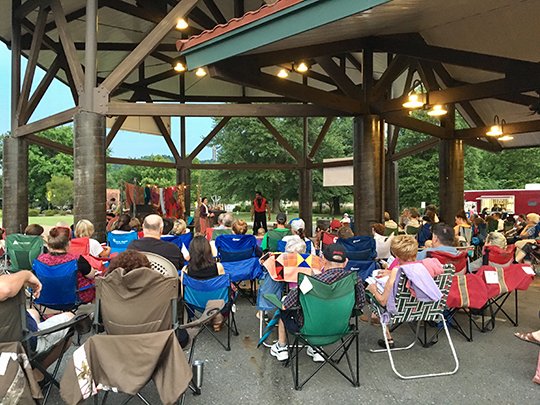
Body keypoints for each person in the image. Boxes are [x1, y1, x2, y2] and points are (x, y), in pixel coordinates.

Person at [270, 243, 365, 362]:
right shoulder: (355, 280)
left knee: (285, 306)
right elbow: (360, 305)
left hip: (307, 330)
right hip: (340, 329)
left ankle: (282, 347)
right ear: (346, 262)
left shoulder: (310, 282)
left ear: (323, 260)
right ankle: (316, 349)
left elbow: (287, 305)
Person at [366, 235, 443, 348]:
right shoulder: (427, 267)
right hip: (426, 308)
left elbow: (382, 301)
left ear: (396, 255)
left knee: (374, 292)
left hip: (399, 311)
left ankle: (388, 338)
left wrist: (372, 289)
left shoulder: (397, 271)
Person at [104, 250, 190, 349]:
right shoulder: (163, 288)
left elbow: (101, 321)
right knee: (182, 335)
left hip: (118, 339)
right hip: (157, 340)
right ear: (148, 269)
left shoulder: (107, 288)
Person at [0, 270, 75, 359]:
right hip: (20, 346)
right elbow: (4, 289)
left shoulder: (39, 261)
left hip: (11, 333)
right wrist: (26, 275)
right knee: (71, 319)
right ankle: (37, 371)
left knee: (33, 313)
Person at [36, 227, 97, 303]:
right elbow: (91, 275)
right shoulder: (77, 260)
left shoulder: (39, 260)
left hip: (45, 298)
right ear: (68, 243)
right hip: (75, 299)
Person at [183, 235, 226, 331]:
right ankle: (217, 319)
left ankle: (201, 317)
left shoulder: (186, 270)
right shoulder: (218, 267)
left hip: (196, 303)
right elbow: (224, 287)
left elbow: (183, 292)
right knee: (228, 290)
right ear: (208, 250)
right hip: (217, 303)